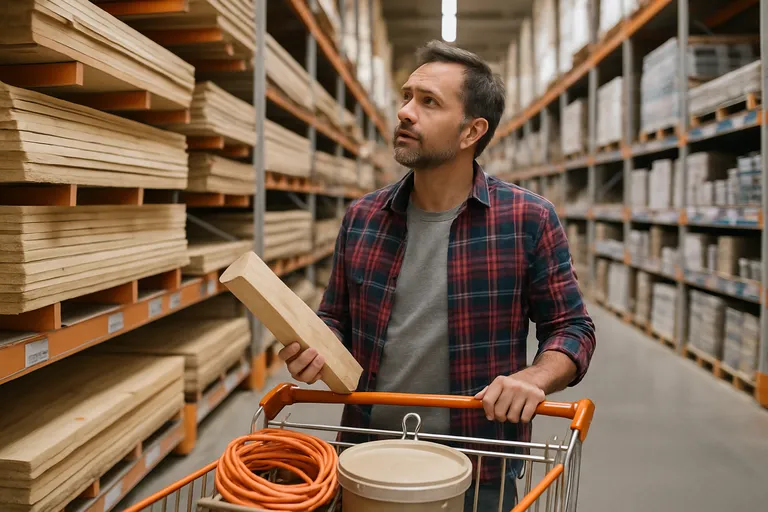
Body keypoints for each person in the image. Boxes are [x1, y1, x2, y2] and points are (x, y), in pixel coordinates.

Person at [279, 40, 596, 510]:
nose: (405, 112)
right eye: (407, 97)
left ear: (471, 131)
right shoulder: (363, 217)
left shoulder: (527, 219)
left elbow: (572, 328)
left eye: (429, 102)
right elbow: (336, 318)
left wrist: (535, 377)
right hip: (366, 459)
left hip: (478, 464)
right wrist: (315, 346)